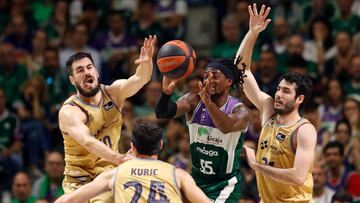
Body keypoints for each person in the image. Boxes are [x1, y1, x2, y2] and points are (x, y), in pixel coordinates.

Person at [58, 35, 156, 203]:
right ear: (73, 80)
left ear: (96, 71)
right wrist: (119, 158)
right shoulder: (70, 111)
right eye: (80, 70)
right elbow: (88, 141)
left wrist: (146, 62)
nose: (87, 72)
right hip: (79, 179)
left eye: (89, 67)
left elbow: (141, 79)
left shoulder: (114, 93)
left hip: (108, 173)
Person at [236, 4, 317, 202]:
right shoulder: (268, 109)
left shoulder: (304, 130)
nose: (278, 94)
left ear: (299, 99)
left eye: (286, 91)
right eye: (279, 88)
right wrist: (252, 33)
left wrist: (257, 166)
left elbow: (298, 177)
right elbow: (240, 70)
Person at [155, 52, 250, 201]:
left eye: (215, 76)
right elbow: (162, 113)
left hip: (225, 183)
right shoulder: (193, 100)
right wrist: (166, 94)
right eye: (206, 76)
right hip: (196, 179)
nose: (209, 80)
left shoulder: (240, 110)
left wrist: (208, 103)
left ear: (229, 81)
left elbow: (225, 127)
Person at [54, 122, 212, 203]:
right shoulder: (178, 174)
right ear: (161, 145)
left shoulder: (114, 174)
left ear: (132, 146)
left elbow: (68, 200)